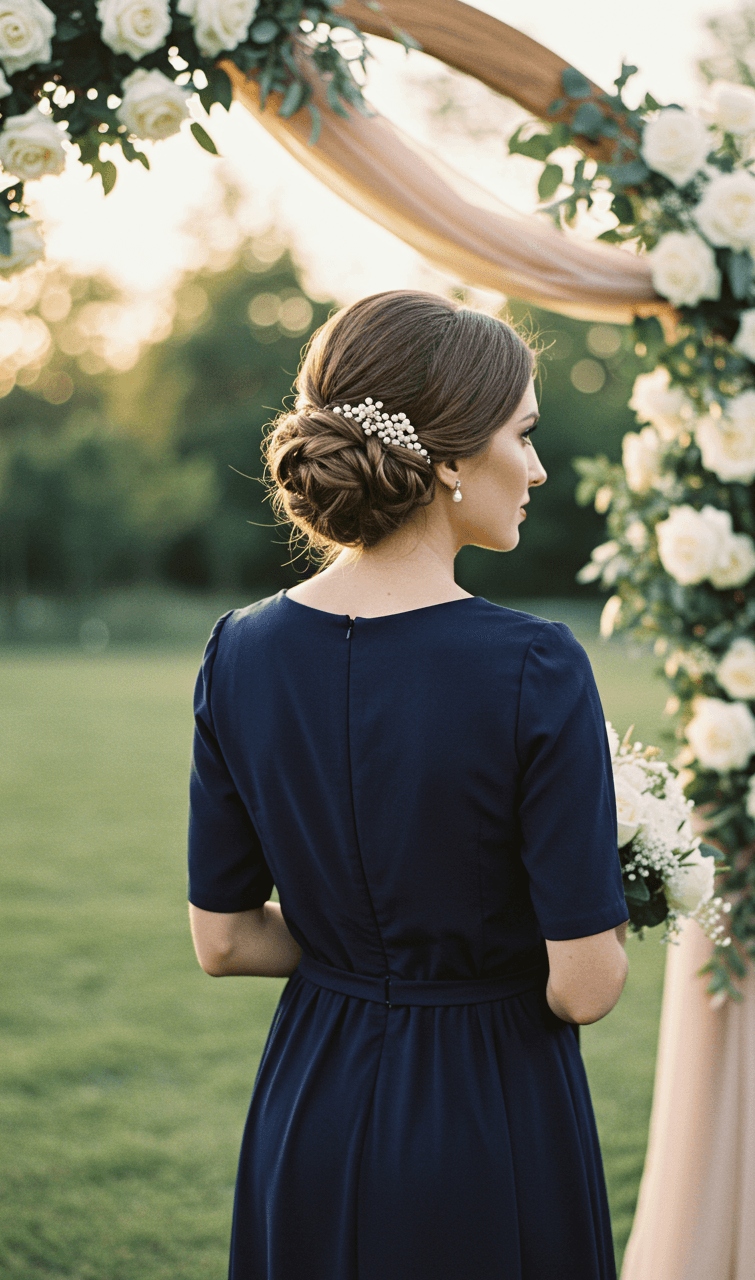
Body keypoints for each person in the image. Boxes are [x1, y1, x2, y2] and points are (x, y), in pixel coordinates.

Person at [187, 289, 629, 1280]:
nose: (539, 466)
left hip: (308, 1099)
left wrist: (361, 941)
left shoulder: (237, 650)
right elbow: (584, 983)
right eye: (524, 432)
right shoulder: (534, 664)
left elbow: (222, 939)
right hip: (489, 1107)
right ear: (448, 458)